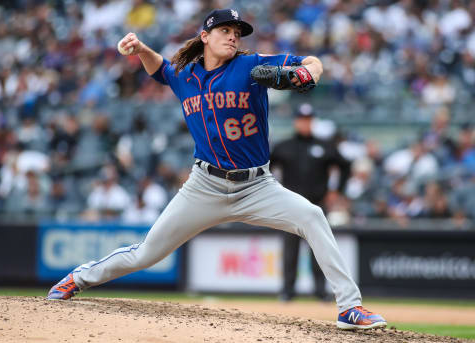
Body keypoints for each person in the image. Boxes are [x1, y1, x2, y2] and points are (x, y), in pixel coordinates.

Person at [47, 8, 386, 330]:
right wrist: (140, 48)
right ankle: (77, 279)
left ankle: (349, 306)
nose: (233, 37)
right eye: (225, 30)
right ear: (205, 36)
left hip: (257, 186)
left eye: (237, 32)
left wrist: (305, 73)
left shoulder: (251, 67)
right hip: (204, 186)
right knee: (146, 254)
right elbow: (160, 69)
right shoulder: (186, 76)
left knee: (313, 216)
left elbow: (313, 63)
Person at [271, 103, 351, 302]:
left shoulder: (324, 146)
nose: (305, 123)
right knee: (290, 250)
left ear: (312, 122)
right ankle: (287, 291)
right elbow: (265, 168)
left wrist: (337, 191)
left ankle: (320, 291)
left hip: (317, 204)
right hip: (290, 206)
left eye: (308, 120)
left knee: (320, 249)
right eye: (302, 120)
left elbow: (346, 166)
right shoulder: (284, 146)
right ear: (296, 121)